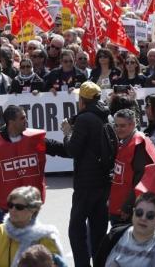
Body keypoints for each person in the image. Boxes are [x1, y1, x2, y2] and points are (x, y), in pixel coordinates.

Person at [60, 81, 113, 267]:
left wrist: (67, 133)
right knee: (98, 230)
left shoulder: (85, 119)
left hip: (86, 183)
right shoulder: (105, 115)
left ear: (82, 100)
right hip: (103, 181)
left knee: (76, 230)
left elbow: (73, 149)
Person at [0, 186, 63, 267]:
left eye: (19, 207)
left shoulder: (45, 237)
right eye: (10, 205)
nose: (13, 210)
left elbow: (56, 264)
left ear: (33, 210)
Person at [108, 108, 155, 224]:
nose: (118, 129)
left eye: (122, 126)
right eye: (116, 125)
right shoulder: (126, 141)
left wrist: (129, 205)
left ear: (133, 124)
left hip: (128, 209)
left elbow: (142, 178)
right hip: (119, 204)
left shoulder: (138, 144)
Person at [94, 192, 155, 267]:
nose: (143, 218)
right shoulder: (114, 236)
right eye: (139, 212)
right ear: (133, 212)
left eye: (150, 215)